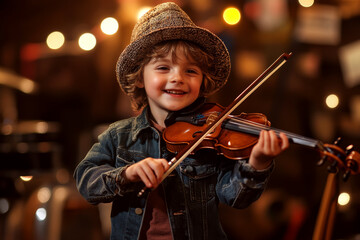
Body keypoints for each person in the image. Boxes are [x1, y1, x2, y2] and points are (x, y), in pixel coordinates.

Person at [74, 2, 289, 240]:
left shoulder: (211, 137)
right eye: (163, 67)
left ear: (202, 82)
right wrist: (127, 173)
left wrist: (257, 164)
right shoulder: (119, 135)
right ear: (139, 78)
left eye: (191, 71)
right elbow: (85, 181)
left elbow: (235, 198)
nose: (177, 78)